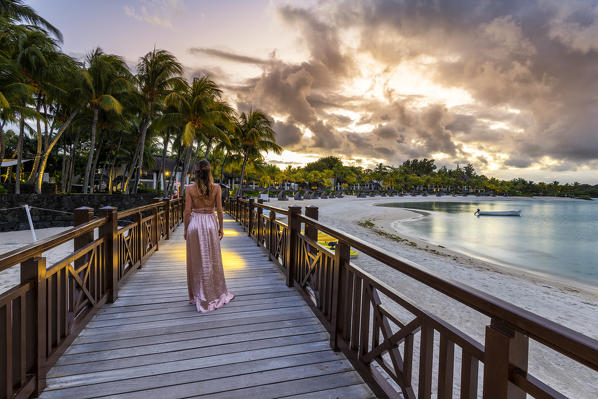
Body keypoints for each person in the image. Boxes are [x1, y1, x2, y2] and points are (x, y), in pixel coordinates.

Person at [184, 159, 234, 312]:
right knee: (213, 260)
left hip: (195, 224)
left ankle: (198, 294)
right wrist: (221, 227)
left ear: (196, 173)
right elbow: (219, 210)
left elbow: (187, 212)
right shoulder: (217, 188)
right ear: (209, 172)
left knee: (196, 261)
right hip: (210, 224)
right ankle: (214, 293)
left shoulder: (189, 189)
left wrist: (186, 230)